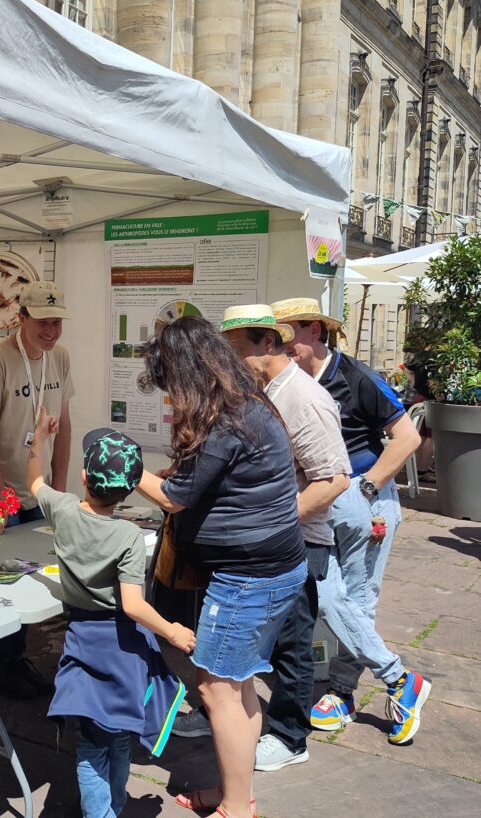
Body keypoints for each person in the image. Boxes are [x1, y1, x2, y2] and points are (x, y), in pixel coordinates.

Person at [134, 316, 306, 818]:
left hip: (248, 579)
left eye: (170, 383)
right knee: (240, 685)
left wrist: (125, 465)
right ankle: (236, 793)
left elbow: (174, 497)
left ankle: (235, 809)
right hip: (274, 569)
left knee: (215, 690)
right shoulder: (245, 404)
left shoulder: (227, 418)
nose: (170, 396)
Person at [272, 298, 429, 745]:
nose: (283, 345)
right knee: (326, 595)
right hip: (318, 501)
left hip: (363, 499)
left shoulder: (356, 376)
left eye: (289, 334)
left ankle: (342, 693)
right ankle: (399, 680)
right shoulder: (287, 381)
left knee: (356, 600)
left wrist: (366, 489)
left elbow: (408, 438)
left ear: (315, 331)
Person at [27, 407, 194, 818]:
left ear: (84, 477)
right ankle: (111, 808)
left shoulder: (63, 511)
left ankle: (103, 811)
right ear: (130, 490)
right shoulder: (127, 535)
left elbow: (34, 480)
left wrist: (39, 436)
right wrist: (172, 631)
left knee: (89, 743)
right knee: (120, 736)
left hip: (83, 641)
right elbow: (134, 605)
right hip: (122, 649)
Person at [219, 305, 350, 771]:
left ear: (268, 344)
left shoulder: (303, 397)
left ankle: (291, 737)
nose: (231, 364)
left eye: (237, 353)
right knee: (268, 640)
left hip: (299, 540)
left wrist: (276, 521)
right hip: (270, 540)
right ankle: (258, 723)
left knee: (293, 642)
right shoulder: (265, 391)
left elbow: (333, 479)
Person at [0, 279, 74, 698]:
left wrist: (58, 489)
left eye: (57, 322)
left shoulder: (59, 358)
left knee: (30, 578)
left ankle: (13, 659)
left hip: (35, 489)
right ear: (21, 318)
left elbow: (65, 426)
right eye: (42, 322)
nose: (51, 331)